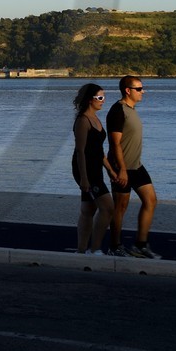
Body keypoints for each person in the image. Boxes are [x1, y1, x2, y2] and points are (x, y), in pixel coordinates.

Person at [105, 74, 160, 259]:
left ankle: (140, 245)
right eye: (139, 89)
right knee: (120, 207)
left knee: (151, 200)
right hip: (122, 167)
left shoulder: (132, 109)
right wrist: (120, 169)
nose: (142, 91)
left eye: (142, 88)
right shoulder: (117, 110)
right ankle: (115, 246)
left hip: (136, 166)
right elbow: (115, 144)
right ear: (128, 91)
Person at [70, 82, 111, 254]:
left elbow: (99, 150)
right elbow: (80, 151)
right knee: (108, 208)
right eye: (99, 98)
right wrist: (84, 178)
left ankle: (81, 250)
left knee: (88, 210)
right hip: (86, 170)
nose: (103, 100)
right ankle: (94, 250)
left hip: (96, 168)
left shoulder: (96, 118)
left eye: (104, 97)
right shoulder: (83, 121)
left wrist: (110, 169)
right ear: (89, 100)